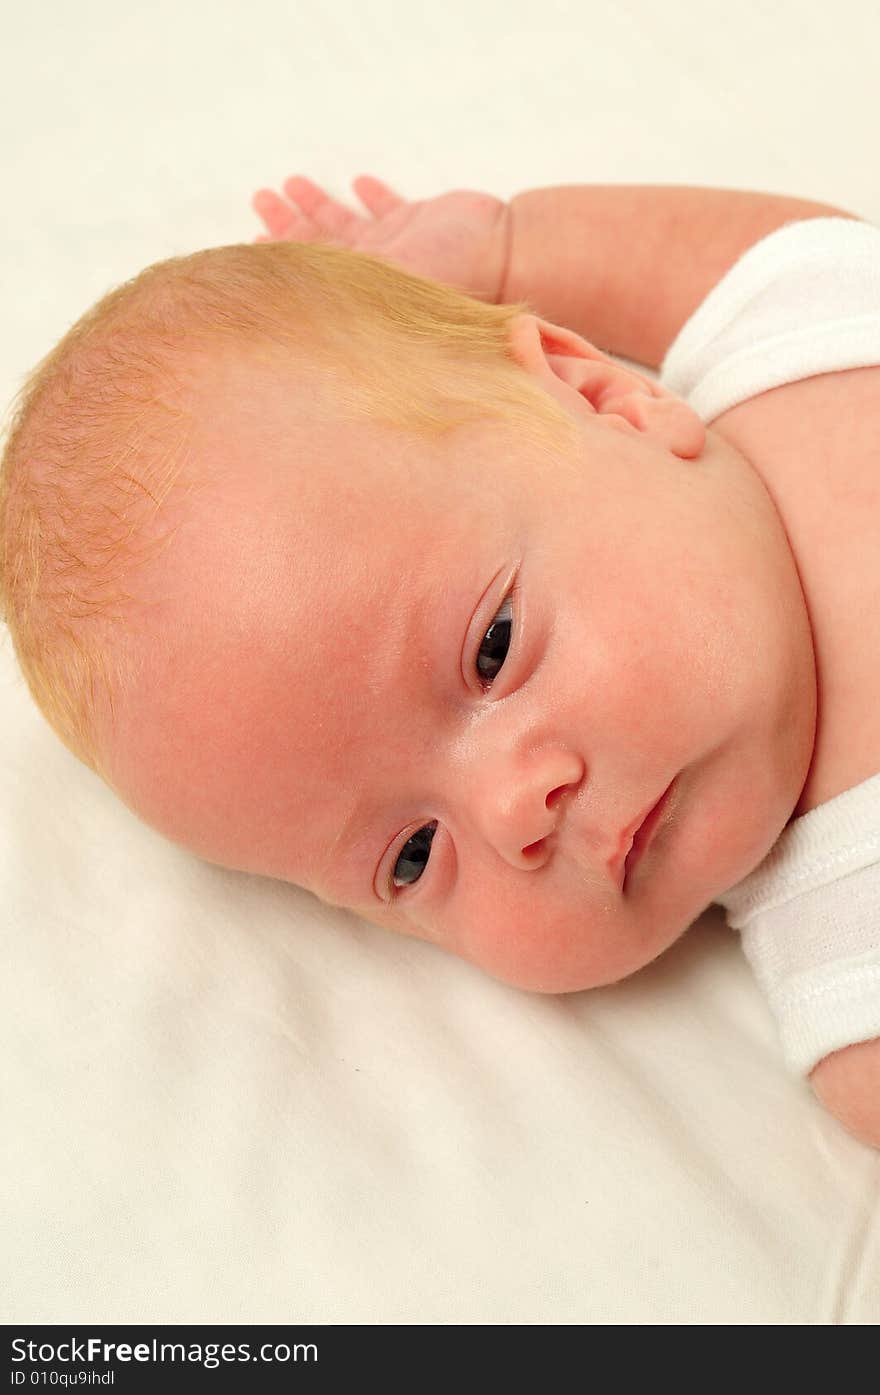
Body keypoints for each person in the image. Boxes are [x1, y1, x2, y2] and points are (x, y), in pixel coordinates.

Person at [1, 177, 879, 1145]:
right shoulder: (851, 973)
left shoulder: (791, 340)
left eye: (493, 651)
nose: (512, 814)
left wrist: (505, 249)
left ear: (608, 401)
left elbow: (723, 256)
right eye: (412, 857)